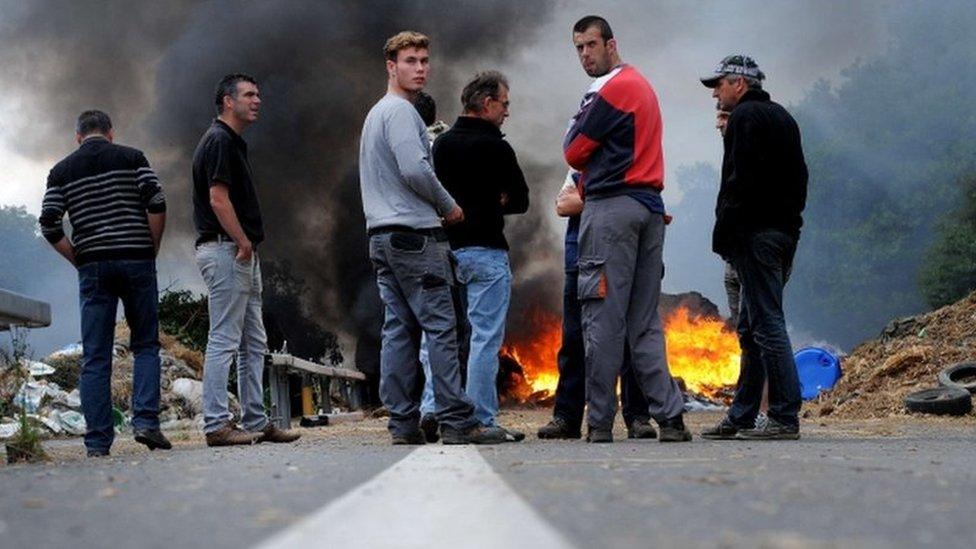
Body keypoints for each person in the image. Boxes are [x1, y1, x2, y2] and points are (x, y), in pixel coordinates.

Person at [359, 30, 507, 445]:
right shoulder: (403, 113)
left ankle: (402, 423)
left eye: (424, 60)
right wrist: (448, 205)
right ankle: (457, 422)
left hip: (382, 238)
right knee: (443, 329)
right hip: (415, 238)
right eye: (410, 61)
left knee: (399, 330)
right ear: (391, 66)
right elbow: (415, 170)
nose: (420, 68)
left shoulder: (375, 114)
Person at [563, 16, 691, 443]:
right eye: (578, 47)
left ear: (611, 44)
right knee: (645, 323)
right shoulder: (644, 87)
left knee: (601, 319)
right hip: (649, 209)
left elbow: (574, 148)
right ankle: (670, 419)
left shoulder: (613, 88)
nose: (585, 54)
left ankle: (599, 423)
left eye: (591, 45)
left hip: (612, 209)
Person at [39, 110, 172, 457]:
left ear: (78, 137)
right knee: (145, 344)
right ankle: (145, 422)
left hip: (94, 266)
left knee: (95, 356)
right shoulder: (132, 157)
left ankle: (98, 442)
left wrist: (78, 259)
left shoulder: (62, 171)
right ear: (110, 133)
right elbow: (156, 202)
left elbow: (49, 224)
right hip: (137, 259)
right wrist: (151, 247)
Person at [415, 71, 530, 442]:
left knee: (440, 335)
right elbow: (522, 199)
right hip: (486, 253)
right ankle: (481, 418)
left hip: (445, 252)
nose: (507, 112)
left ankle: (432, 408)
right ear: (486, 103)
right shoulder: (497, 148)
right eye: (504, 104)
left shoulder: (442, 146)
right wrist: (494, 199)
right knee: (484, 338)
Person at [699, 55, 807, 440]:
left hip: (756, 236)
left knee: (765, 322)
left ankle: (783, 416)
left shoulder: (744, 119)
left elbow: (738, 181)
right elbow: (800, 179)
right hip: (783, 234)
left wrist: (726, 233)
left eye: (720, 84)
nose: (715, 92)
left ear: (740, 84)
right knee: (750, 327)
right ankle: (742, 415)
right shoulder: (783, 117)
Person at [192, 73, 300, 447]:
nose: (257, 100)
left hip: (240, 250)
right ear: (227, 101)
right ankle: (216, 425)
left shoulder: (231, 142)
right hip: (227, 249)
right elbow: (217, 199)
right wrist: (241, 241)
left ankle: (256, 419)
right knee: (223, 338)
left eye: (258, 94)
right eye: (249, 95)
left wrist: (246, 245)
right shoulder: (220, 140)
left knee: (254, 340)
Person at [537, 170, 660, 440]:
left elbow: (642, 209)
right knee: (574, 342)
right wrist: (608, 201)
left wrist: (593, 201)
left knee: (629, 339)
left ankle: (637, 417)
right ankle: (567, 418)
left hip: (623, 263)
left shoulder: (634, 166)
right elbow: (563, 205)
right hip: (580, 262)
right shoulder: (579, 170)